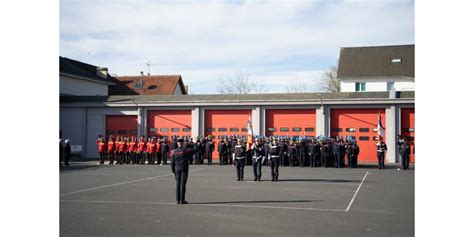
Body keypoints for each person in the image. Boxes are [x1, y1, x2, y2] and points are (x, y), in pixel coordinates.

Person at [171, 138, 193, 205]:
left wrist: (173, 171)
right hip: (184, 169)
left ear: (178, 143)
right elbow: (196, 149)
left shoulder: (174, 151)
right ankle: (182, 200)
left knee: (178, 184)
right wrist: (192, 143)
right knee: (183, 184)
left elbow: (172, 163)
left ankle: (177, 200)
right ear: (183, 143)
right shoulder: (185, 150)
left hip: (177, 169)